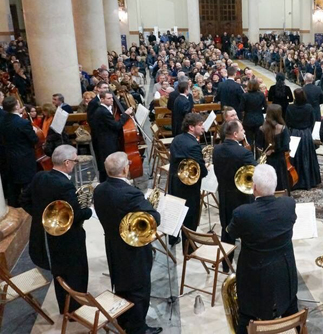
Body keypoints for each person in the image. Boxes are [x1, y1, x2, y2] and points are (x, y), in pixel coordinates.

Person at [93, 152, 162, 334]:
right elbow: (154, 218)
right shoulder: (130, 193)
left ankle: (123, 319)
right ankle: (138, 328)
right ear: (125, 169)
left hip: (113, 246)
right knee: (139, 289)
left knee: (122, 285)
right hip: (133, 250)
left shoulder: (99, 190)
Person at [226, 165, 298, 334]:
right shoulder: (288, 204)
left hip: (254, 276)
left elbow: (230, 233)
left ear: (254, 187)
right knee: (290, 306)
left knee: (246, 316)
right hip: (284, 274)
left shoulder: (242, 213)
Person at [21, 145, 92, 313]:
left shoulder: (39, 176)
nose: (75, 164)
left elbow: (24, 199)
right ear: (67, 163)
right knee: (75, 273)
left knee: (59, 273)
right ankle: (75, 309)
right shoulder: (65, 185)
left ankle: (64, 307)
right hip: (67, 240)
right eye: (75, 161)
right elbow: (76, 215)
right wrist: (89, 210)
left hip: (46, 238)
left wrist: (41, 217)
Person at [213, 120, 256, 267]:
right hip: (242, 197)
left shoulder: (216, 150)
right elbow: (255, 172)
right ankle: (248, 264)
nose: (244, 132)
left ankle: (226, 264)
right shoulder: (243, 152)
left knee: (227, 230)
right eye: (242, 130)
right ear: (235, 134)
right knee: (247, 230)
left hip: (224, 195)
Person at [168, 113, 208, 248]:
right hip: (188, 187)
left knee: (175, 211)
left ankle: (172, 239)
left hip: (174, 181)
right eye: (200, 125)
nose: (203, 128)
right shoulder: (194, 145)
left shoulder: (177, 139)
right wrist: (206, 169)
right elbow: (201, 169)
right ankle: (189, 247)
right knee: (190, 216)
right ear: (191, 127)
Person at [0, 96, 39, 207]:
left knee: (13, 186)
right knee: (28, 184)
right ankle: (30, 207)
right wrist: (34, 131)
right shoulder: (23, 123)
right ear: (17, 106)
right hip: (24, 158)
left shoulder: (2, 121)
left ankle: (15, 208)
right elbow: (34, 140)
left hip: (9, 156)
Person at [89, 91, 133, 182]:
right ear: (102, 100)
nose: (112, 100)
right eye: (109, 98)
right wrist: (126, 115)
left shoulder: (104, 110)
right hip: (106, 143)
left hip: (105, 140)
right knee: (106, 167)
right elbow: (116, 126)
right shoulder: (103, 111)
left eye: (112, 98)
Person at [285, 88, 321, 190]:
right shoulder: (309, 107)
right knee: (307, 157)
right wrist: (308, 130)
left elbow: (287, 122)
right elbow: (312, 121)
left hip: (295, 133)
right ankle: (310, 180)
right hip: (306, 133)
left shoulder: (290, 108)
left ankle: (295, 180)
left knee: (295, 157)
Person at [256, 104, 291, 193]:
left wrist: (265, 152)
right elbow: (286, 147)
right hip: (280, 160)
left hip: (267, 161)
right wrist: (274, 150)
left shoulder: (261, 129)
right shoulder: (283, 128)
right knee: (281, 182)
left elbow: (258, 146)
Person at [240, 78, 267, 147]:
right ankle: (259, 155)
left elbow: (241, 108)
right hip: (259, 119)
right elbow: (266, 108)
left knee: (249, 141)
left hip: (248, 119)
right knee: (259, 141)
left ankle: (250, 156)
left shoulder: (245, 95)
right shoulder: (261, 95)